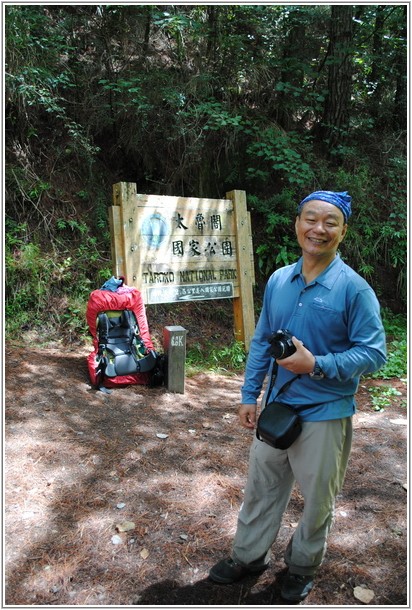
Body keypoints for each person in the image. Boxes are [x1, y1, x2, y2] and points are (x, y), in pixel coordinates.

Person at [208, 191, 387, 602]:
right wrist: (249, 394)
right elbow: (261, 341)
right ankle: (248, 557)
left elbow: (375, 353)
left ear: (343, 231)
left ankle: (302, 566)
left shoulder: (353, 289)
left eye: (330, 222)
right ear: (297, 223)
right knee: (262, 487)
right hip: (278, 407)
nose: (318, 229)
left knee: (317, 499)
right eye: (311, 219)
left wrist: (317, 364)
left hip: (326, 411)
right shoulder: (278, 280)